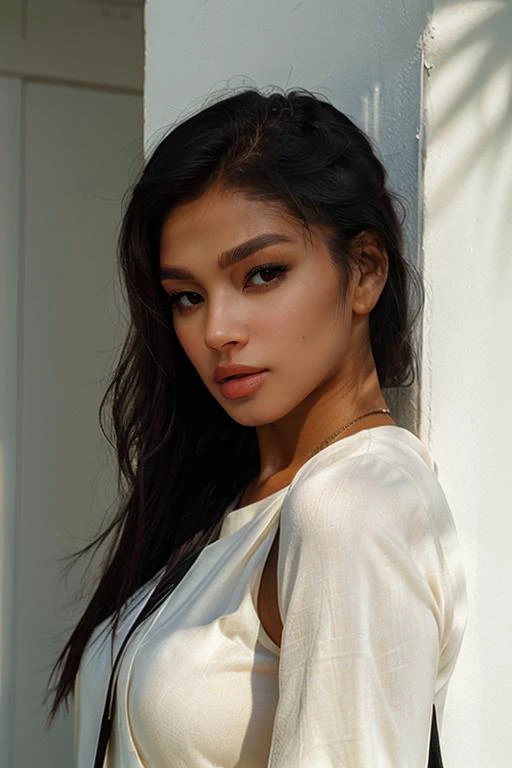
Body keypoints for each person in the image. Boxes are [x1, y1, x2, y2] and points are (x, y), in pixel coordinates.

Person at [47, 87, 468, 766]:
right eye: (187, 296)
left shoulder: (353, 504)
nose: (216, 330)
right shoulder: (224, 505)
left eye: (263, 274)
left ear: (363, 271)